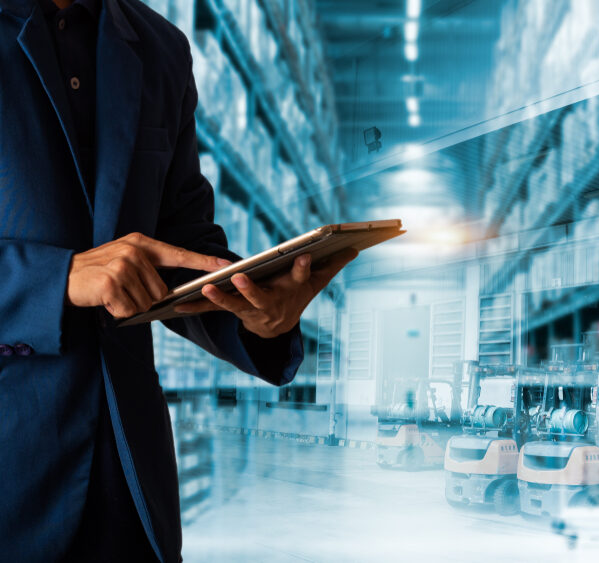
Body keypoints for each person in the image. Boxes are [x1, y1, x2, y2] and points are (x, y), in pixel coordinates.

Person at [0, 0, 356, 561]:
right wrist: (57, 279)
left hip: (129, 482)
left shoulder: (161, 47)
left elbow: (181, 242)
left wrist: (257, 312)